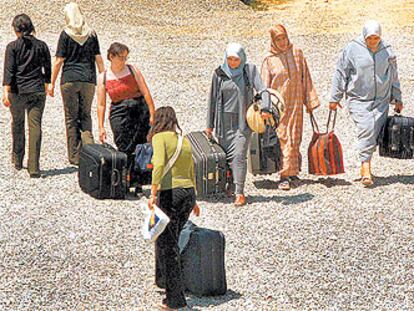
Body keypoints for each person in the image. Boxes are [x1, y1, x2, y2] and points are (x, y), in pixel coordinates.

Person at [329, 20, 403, 187]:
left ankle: (366, 161)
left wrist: (397, 98)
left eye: (376, 38)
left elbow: (394, 75)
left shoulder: (387, 50)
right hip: (358, 99)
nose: (373, 42)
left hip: (381, 100)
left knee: (374, 132)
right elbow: (341, 73)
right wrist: (335, 98)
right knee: (367, 128)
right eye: (370, 38)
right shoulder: (352, 49)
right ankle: (365, 167)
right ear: (364, 36)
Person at [147, 106, 200, 311]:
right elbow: (191, 169)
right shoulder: (183, 140)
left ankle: (175, 301)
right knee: (170, 240)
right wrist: (194, 200)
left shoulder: (159, 138)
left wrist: (153, 193)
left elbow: (159, 164)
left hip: (170, 194)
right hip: (188, 193)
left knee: (167, 246)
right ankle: (168, 283)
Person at [206, 43, 272, 206]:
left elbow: (263, 90)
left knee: (239, 156)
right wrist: (209, 125)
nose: (233, 62)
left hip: (243, 121)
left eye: (236, 59)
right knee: (226, 156)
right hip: (223, 122)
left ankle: (240, 192)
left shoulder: (249, 71)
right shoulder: (219, 74)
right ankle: (230, 184)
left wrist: (265, 108)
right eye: (230, 59)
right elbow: (212, 100)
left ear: (242, 58)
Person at [261, 24, 320, 191]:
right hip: (278, 108)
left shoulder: (297, 54)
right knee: (282, 138)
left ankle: (292, 172)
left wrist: (310, 102)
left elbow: (305, 78)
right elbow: (264, 86)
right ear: (273, 41)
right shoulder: (268, 59)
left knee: (295, 137)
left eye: (284, 38)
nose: (282, 42)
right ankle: (284, 175)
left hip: (296, 103)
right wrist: (264, 107)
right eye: (278, 39)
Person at [48, 2, 105, 166]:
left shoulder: (65, 34)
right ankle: (91, 153)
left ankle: (74, 156)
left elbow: (59, 61)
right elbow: (99, 59)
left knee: (71, 118)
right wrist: (103, 79)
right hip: (89, 80)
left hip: (69, 80)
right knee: (86, 116)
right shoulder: (91, 34)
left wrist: (51, 83)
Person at [97, 42, 155, 195]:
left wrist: (152, 113)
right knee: (123, 146)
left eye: (125, 57)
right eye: (121, 57)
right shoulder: (103, 77)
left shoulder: (132, 69)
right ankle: (123, 180)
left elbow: (145, 91)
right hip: (119, 111)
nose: (124, 60)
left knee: (140, 147)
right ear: (111, 57)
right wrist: (101, 126)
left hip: (138, 108)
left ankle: (138, 183)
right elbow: (101, 104)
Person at [2, 14, 51, 178]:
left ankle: (17, 158)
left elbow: (9, 71)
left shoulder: (12, 46)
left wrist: (5, 92)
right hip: (37, 90)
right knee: (35, 126)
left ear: (16, 30)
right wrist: (47, 83)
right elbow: (47, 68)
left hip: (18, 91)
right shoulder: (42, 45)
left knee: (17, 123)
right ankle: (34, 166)